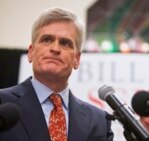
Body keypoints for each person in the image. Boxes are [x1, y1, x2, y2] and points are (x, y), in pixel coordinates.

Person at [0, 7, 114, 141]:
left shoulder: (99, 121)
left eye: (65, 43)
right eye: (47, 40)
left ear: (76, 59)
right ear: (31, 52)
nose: (55, 48)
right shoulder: (2, 103)